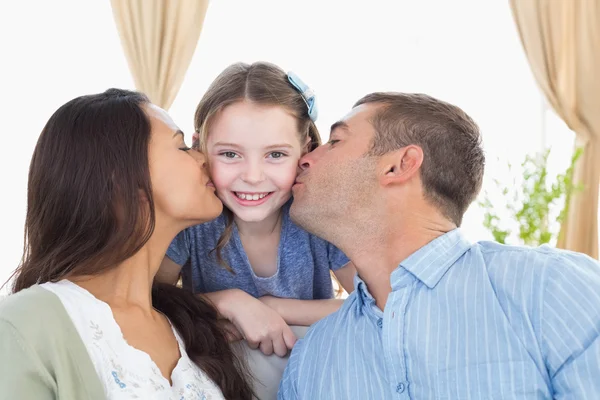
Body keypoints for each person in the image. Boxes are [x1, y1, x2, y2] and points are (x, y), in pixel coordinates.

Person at [278, 92, 600, 399]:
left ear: (400, 165)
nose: (304, 158)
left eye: (335, 142)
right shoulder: (310, 362)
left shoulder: (552, 290)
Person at [0, 89, 253, 399]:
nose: (204, 159)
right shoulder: (22, 326)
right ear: (121, 179)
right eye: (183, 146)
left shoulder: (191, 326)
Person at [157, 62, 356, 358]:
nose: (252, 176)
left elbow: (380, 304)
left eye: (275, 154)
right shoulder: (192, 222)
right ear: (199, 149)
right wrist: (228, 302)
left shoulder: (322, 216)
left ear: (305, 150)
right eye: (230, 154)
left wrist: (274, 307)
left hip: (314, 369)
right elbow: (148, 301)